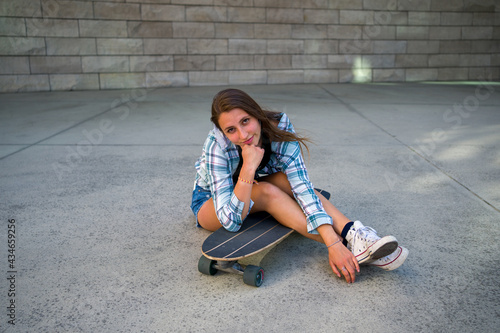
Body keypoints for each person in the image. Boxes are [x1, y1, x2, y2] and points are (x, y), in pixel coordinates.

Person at [191, 88, 408, 283]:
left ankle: (356, 235)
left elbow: (302, 187)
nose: (243, 135)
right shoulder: (216, 146)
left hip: (254, 186)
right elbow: (230, 221)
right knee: (267, 191)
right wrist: (248, 167)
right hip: (213, 203)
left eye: (245, 121)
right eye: (231, 130)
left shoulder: (279, 125)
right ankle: (350, 246)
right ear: (222, 131)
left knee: (287, 182)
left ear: (256, 113)